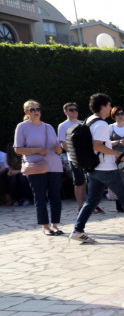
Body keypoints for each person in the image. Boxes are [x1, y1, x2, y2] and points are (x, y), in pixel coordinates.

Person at [69, 93, 124, 244]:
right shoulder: (101, 124)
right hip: (106, 168)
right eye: (109, 105)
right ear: (103, 107)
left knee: (92, 200)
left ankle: (77, 230)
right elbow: (97, 145)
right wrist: (118, 153)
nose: (110, 108)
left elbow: (98, 144)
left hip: (94, 167)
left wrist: (112, 146)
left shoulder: (89, 120)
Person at [14, 100, 65, 236]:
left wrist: (59, 149)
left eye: (38, 109)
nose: (36, 112)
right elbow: (18, 149)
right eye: (32, 109)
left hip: (54, 165)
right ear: (26, 112)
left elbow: (59, 148)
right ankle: (45, 226)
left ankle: (55, 225)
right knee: (40, 197)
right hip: (35, 166)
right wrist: (37, 150)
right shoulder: (22, 127)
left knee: (55, 196)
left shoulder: (48, 127)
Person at [57, 102, 95, 211]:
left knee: (90, 180)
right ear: (65, 112)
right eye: (71, 110)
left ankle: (90, 204)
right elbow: (63, 143)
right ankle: (80, 206)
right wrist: (75, 154)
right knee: (79, 182)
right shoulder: (62, 126)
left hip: (87, 157)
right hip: (74, 158)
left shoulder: (83, 124)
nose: (74, 111)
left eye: (75, 109)